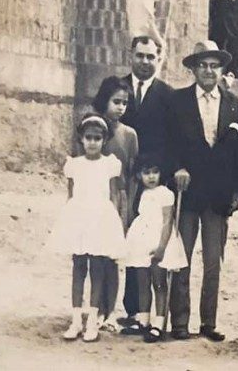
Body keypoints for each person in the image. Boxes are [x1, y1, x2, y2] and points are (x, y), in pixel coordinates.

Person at [167, 40, 238, 342]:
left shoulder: (234, 105)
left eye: (214, 65)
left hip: (219, 194)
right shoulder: (177, 102)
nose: (208, 70)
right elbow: (170, 143)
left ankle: (208, 323)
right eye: (202, 65)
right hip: (187, 192)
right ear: (193, 69)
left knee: (213, 260)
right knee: (182, 258)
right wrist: (177, 168)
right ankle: (179, 322)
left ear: (222, 69)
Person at [50, 114, 127, 342]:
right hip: (79, 219)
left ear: (104, 140)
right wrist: (69, 224)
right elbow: (70, 195)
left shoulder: (110, 164)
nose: (92, 142)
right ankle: (76, 319)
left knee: (98, 268)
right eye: (88, 138)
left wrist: (114, 223)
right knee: (79, 267)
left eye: (97, 138)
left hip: (101, 219)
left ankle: (92, 319)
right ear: (81, 139)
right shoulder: (74, 165)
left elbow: (114, 196)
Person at [117, 35, 174, 327]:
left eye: (151, 57)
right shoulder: (118, 89)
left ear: (158, 59)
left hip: (154, 180)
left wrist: (161, 175)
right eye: (140, 55)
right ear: (131, 55)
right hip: (124, 179)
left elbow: (173, 140)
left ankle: (152, 314)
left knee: (152, 246)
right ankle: (131, 311)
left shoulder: (167, 94)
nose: (145, 61)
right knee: (129, 243)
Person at [121, 153, 187, 343]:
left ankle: (158, 324)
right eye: (146, 172)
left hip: (158, 241)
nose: (151, 177)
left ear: (161, 173)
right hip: (141, 241)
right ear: (140, 175)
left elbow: (167, 222)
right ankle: (143, 320)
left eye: (155, 172)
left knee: (159, 283)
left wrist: (161, 247)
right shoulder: (141, 193)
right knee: (142, 281)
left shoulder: (166, 193)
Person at [90, 76, 139, 331]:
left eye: (124, 103)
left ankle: (109, 313)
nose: (120, 107)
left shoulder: (129, 135)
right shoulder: (93, 129)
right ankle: (94, 309)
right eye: (115, 101)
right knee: (94, 258)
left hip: (118, 201)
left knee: (112, 259)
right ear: (104, 100)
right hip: (94, 199)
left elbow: (131, 175)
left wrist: (128, 208)